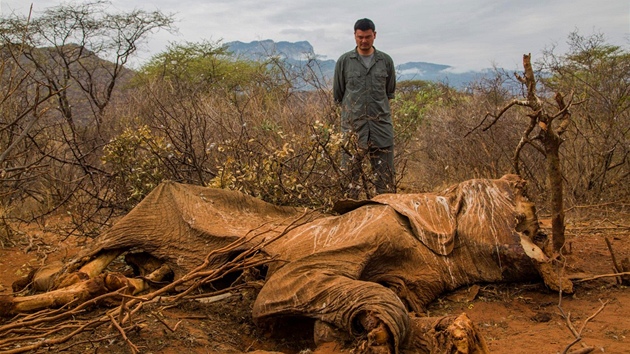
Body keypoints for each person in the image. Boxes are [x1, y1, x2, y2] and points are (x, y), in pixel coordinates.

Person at [333, 18, 396, 199]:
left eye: (368, 37)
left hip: (381, 129)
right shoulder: (344, 62)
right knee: (349, 185)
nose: (364, 41)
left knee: (386, 184)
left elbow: (389, 93)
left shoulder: (386, 61)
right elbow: (339, 95)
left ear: (374, 35)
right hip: (353, 130)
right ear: (354, 36)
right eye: (360, 37)